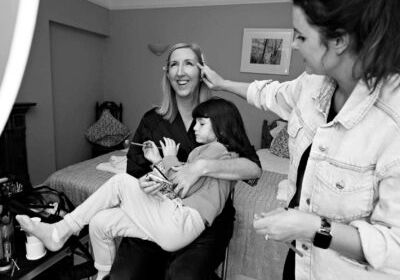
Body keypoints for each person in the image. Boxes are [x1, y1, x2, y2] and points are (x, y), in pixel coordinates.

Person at [199, 0, 400, 279]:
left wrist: (309, 226)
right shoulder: (312, 84)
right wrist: (222, 84)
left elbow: (395, 248)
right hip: (301, 260)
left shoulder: (392, 122)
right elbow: (269, 94)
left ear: (339, 40)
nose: (293, 44)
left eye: (301, 36)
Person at [15, 97, 253, 280]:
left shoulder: (217, 151)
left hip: (183, 221)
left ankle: (61, 230)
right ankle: (103, 275)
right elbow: (179, 186)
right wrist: (157, 162)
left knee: (120, 182)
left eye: (202, 124)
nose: (195, 128)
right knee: (101, 222)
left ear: (221, 128)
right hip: (174, 221)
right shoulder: (207, 154)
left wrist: (168, 158)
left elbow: (182, 187)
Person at [109, 42, 261, 280]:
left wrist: (201, 167)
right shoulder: (152, 121)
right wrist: (146, 183)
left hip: (206, 218)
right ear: (167, 73)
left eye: (189, 63)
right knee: (123, 275)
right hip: (158, 210)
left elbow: (253, 170)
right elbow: (134, 172)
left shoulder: (219, 116)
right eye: (174, 65)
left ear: (201, 72)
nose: (180, 71)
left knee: (181, 275)